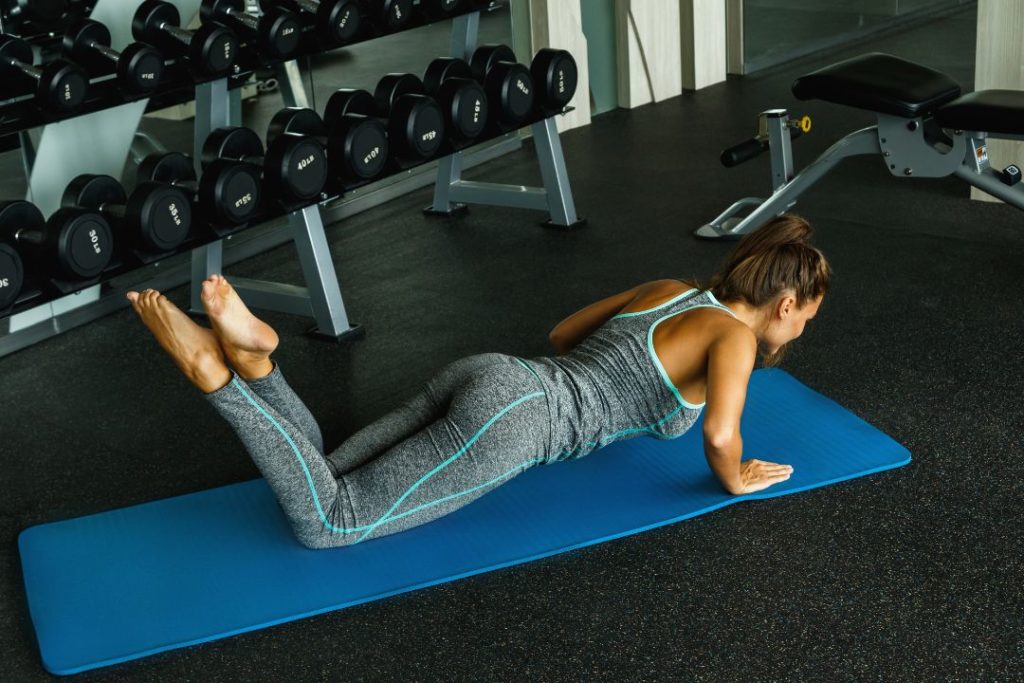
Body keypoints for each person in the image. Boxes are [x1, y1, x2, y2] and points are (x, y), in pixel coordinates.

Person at [127, 214, 829, 549]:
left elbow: (561, 336)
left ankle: (258, 360)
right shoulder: (735, 337)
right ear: (786, 303)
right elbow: (720, 431)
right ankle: (215, 373)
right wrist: (734, 475)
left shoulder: (671, 286)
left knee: (325, 466)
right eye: (805, 320)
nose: (799, 333)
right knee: (327, 520)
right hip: (515, 425)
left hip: (495, 372)